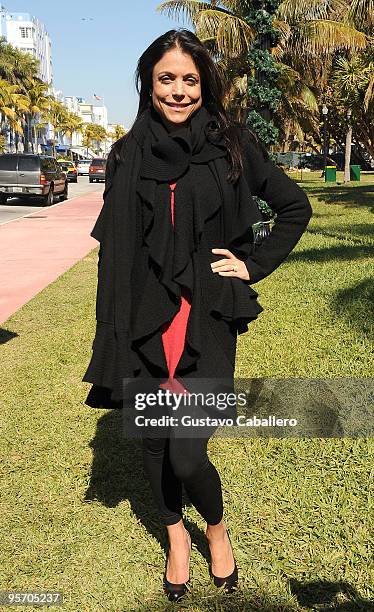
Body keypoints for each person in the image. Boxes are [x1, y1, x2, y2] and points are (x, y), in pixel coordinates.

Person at [82, 29, 313, 602]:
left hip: (205, 318)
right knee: (156, 445)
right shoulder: (126, 153)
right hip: (143, 321)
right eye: (167, 79)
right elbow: (117, 246)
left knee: (188, 453)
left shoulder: (231, 146)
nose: (179, 91)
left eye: (189, 79)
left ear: (204, 83)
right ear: (148, 85)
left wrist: (251, 265)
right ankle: (175, 539)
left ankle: (215, 528)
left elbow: (293, 206)